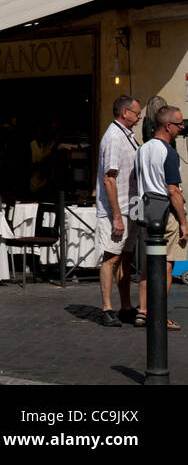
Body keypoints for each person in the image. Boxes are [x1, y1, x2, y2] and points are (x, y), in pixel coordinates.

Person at [135, 105, 186, 330]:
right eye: (179, 124)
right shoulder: (169, 151)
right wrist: (184, 221)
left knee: (149, 264)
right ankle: (159, 315)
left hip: (146, 210)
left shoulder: (142, 149)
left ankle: (143, 312)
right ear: (168, 126)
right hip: (166, 212)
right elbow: (173, 190)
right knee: (166, 264)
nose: (182, 128)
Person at [96, 95, 141, 327]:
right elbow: (109, 178)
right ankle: (106, 309)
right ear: (125, 112)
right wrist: (116, 216)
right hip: (119, 209)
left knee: (127, 258)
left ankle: (125, 306)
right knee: (111, 257)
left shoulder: (128, 136)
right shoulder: (114, 137)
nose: (139, 116)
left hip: (131, 207)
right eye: (136, 112)